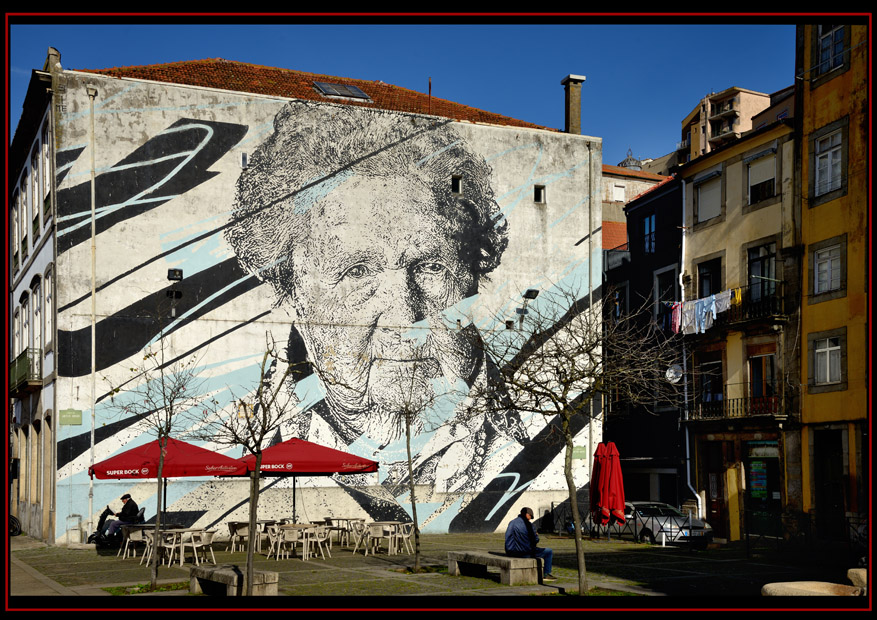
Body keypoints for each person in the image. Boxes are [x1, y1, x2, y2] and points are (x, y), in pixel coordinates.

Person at [226, 102, 530, 520]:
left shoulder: (543, 438)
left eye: (430, 267)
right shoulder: (248, 437)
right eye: (358, 271)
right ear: (292, 291)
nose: (404, 318)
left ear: (473, 274)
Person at [504, 506, 555, 581]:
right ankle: (546, 574)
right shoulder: (529, 525)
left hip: (510, 551)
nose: (530, 519)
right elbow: (535, 540)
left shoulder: (512, 523)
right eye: (530, 517)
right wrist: (536, 535)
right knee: (549, 552)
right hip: (524, 552)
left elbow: (508, 537)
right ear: (527, 515)